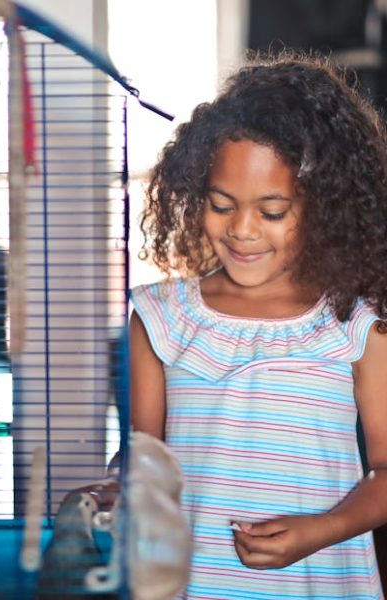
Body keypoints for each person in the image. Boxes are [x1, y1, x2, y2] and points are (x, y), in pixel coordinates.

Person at [130, 53, 387, 599]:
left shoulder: (357, 324)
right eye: (222, 204)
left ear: (324, 206)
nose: (242, 230)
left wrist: (326, 528)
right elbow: (144, 454)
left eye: (272, 212)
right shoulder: (161, 318)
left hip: (319, 583)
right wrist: (114, 487)